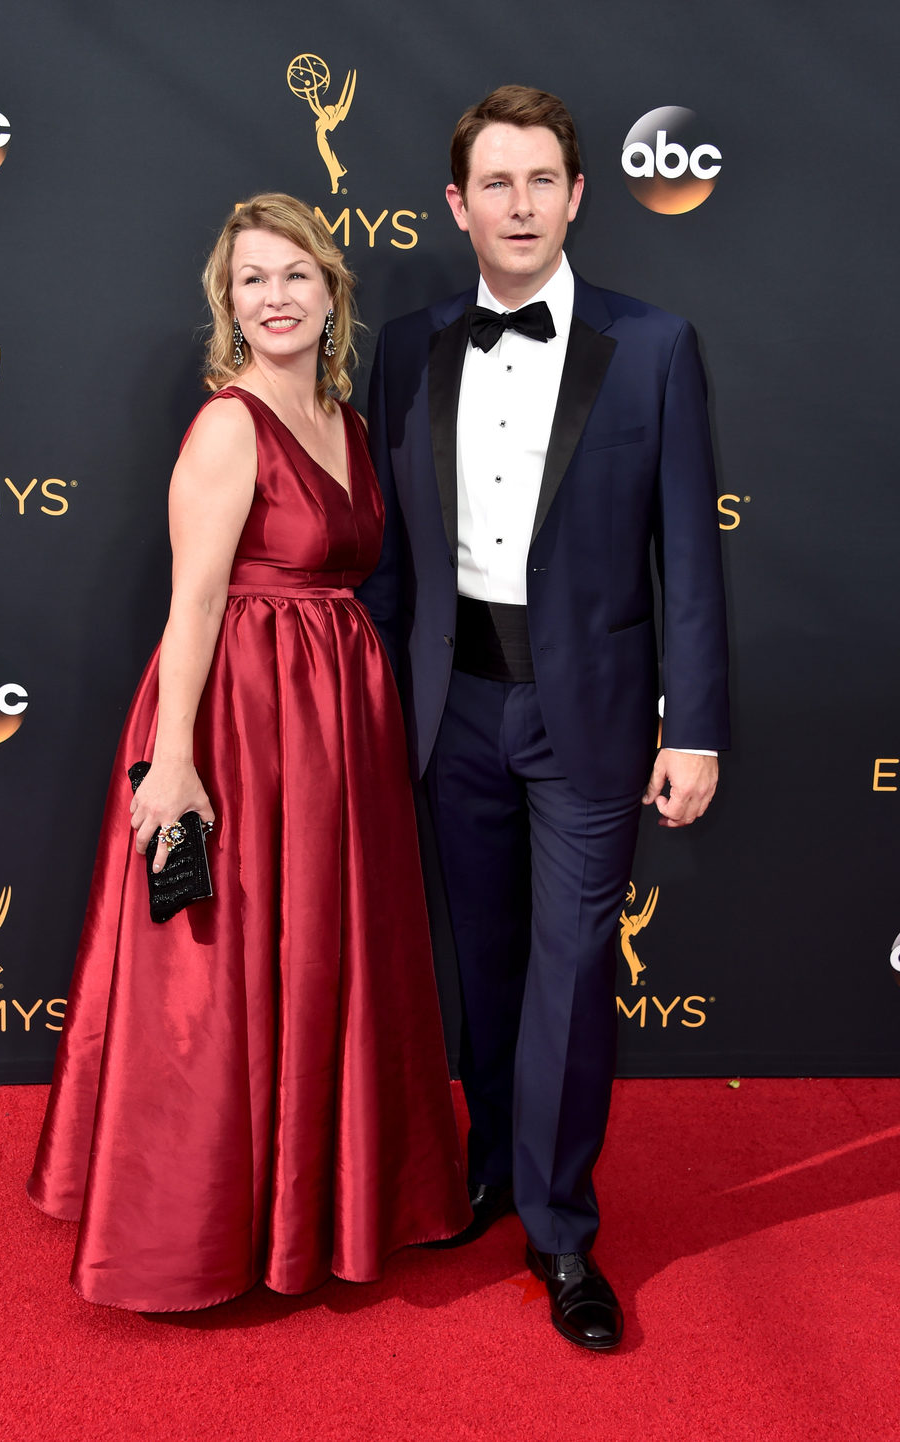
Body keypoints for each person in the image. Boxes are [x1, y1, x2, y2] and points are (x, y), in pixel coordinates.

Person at [27, 193, 471, 1311]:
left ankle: (327, 1197)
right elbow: (196, 600)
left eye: (294, 276)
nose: (274, 298)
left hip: (335, 722)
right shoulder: (230, 424)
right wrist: (175, 762)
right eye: (251, 280)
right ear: (229, 303)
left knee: (328, 951)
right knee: (222, 966)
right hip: (237, 711)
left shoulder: (348, 420)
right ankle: (203, 1224)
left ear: (332, 293)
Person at [359, 87, 729, 1349]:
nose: (519, 206)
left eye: (542, 182)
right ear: (457, 206)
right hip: (450, 704)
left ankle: (562, 1228)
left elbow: (692, 551)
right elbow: (391, 554)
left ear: (580, 195)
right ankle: (490, 1167)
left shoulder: (658, 345)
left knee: (575, 978)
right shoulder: (408, 346)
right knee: (488, 965)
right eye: (494, 185)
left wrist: (698, 728)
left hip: (596, 717)